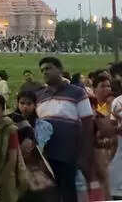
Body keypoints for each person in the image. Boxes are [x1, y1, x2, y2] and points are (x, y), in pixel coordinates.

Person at [36, 56, 96, 201]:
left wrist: (85, 155)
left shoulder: (77, 93)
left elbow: (88, 125)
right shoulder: (39, 97)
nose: (45, 72)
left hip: (69, 156)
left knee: (69, 194)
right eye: (42, 70)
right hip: (46, 158)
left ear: (60, 70)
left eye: (48, 68)